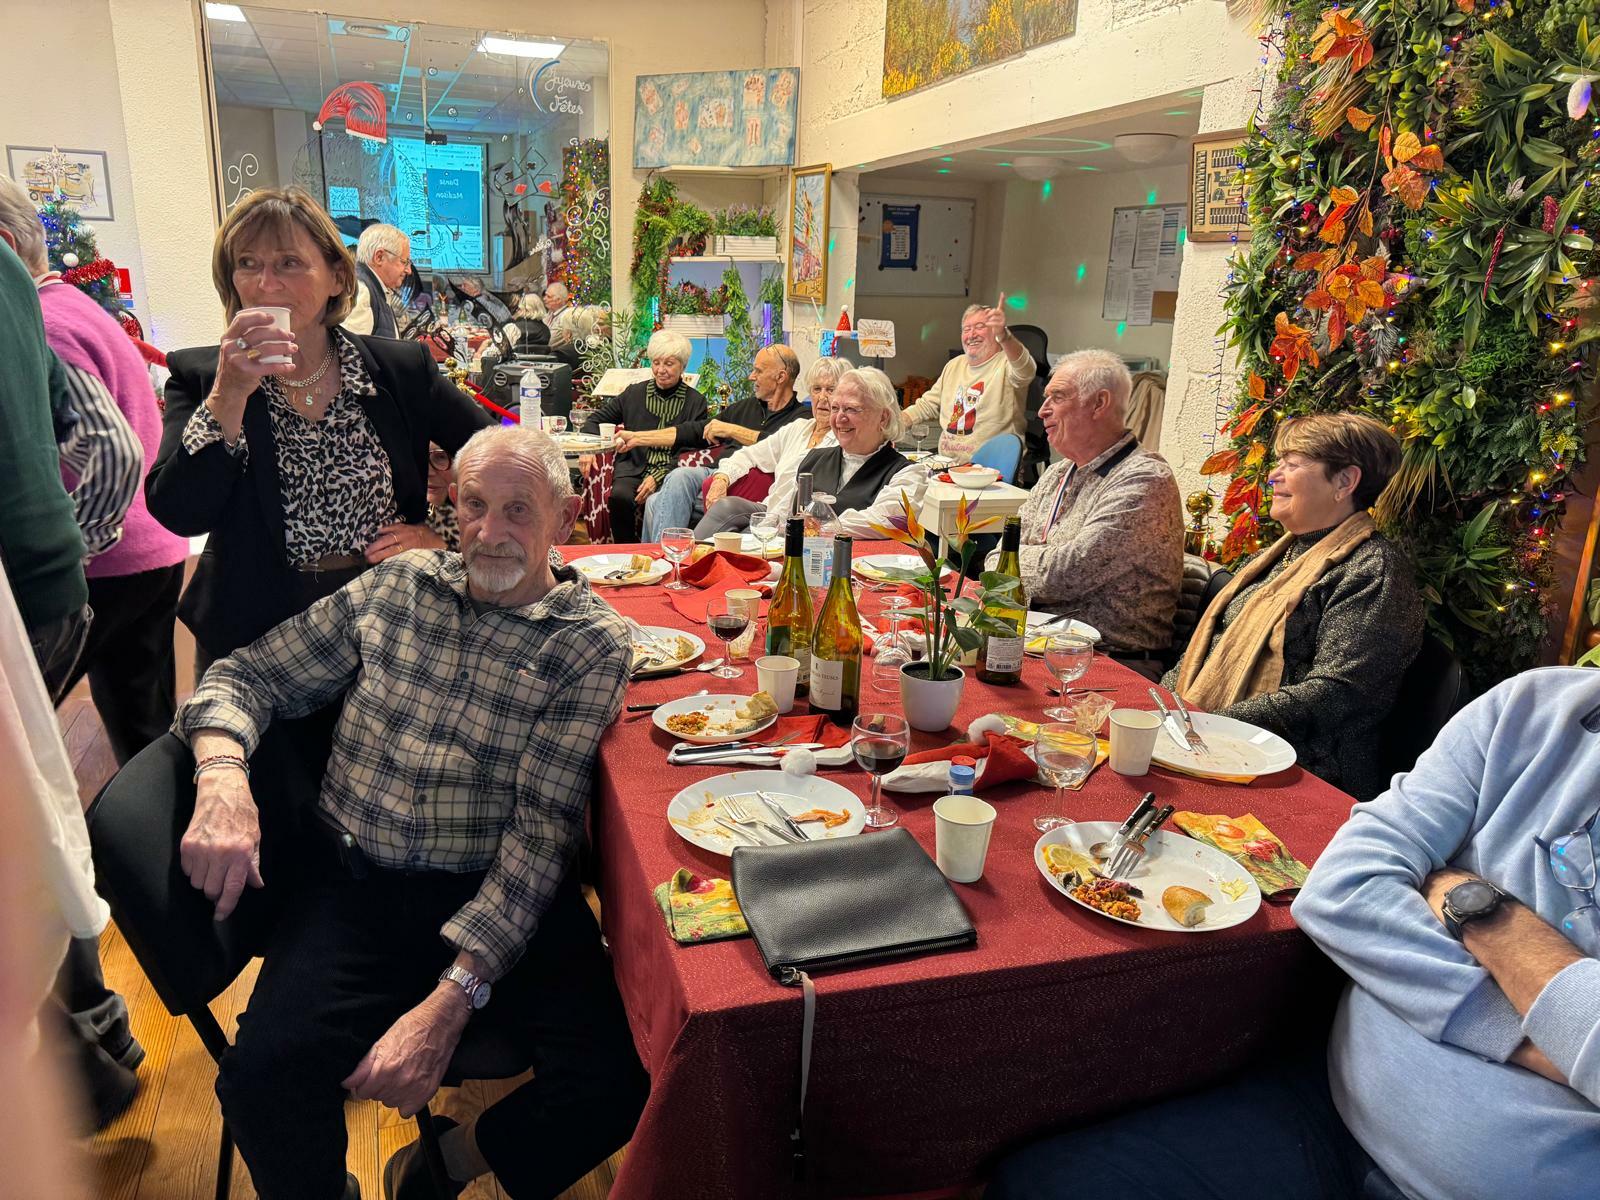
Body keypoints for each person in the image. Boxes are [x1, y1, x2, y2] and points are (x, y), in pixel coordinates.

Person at [171, 425, 648, 1200]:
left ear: (564, 520)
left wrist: (452, 1000)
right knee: (261, 1079)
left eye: (519, 510)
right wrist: (222, 775)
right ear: (451, 506)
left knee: (617, 1082)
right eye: (474, 506)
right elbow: (246, 676)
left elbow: (538, 840)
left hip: (495, 882)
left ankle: (450, 1162)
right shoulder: (397, 588)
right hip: (356, 883)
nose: (489, 532)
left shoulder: (587, 646)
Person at [992, 666, 1600, 1200]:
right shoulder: (1533, 709)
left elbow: (1334, 693)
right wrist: (1553, 1035)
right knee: (1041, 1178)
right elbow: (1342, 889)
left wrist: (1479, 913)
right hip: (1328, 1110)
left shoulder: (1372, 584)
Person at [146, 187, 492, 672]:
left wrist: (443, 539)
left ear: (337, 277)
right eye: (247, 263)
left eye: (289, 262)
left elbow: (498, 455)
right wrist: (229, 393)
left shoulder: (399, 370)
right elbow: (180, 512)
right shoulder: (202, 376)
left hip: (386, 626)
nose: (265, 282)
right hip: (254, 640)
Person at [0, 173, 188, 766]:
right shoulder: (78, 306)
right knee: (143, 723)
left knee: (29, 737)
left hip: (112, 555)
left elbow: (111, 449)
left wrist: (73, 546)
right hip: (150, 544)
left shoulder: (46, 324)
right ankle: (163, 818)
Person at [1164, 412, 1421, 800]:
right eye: (1279, 462)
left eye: (1293, 464)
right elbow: (1206, 651)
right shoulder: (1274, 557)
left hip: (1305, 778)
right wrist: (1165, 708)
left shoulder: (1374, 571)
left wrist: (1211, 724)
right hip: (1216, 744)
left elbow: (1337, 694)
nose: (1272, 476)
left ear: (1345, 482)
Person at [996, 350, 1181, 677]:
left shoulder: (1144, 480)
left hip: (1114, 663)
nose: (1042, 410)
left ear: (1099, 404)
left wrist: (1017, 560)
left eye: (1057, 397)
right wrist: (1022, 560)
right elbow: (998, 556)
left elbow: (1064, 575)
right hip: (1040, 647)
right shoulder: (1057, 473)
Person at [641, 343, 810, 541]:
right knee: (678, 478)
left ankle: (670, 553)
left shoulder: (802, 419)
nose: (751, 376)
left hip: (750, 488)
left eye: (758, 371)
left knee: (655, 502)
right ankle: (667, 554)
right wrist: (638, 437)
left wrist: (732, 430)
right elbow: (696, 431)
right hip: (716, 472)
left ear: (781, 377)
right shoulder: (745, 407)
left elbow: (775, 445)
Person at [761, 366, 925, 537]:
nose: (839, 418)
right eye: (835, 408)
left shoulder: (907, 473)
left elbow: (885, 521)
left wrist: (819, 528)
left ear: (883, 417)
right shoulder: (811, 459)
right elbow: (780, 519)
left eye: (851, 409)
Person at [578, 329, 709, 543]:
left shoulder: (696, 401)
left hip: (673, 470)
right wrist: (587, 450)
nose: (660, 370)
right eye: (656, 363)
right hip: (633, 466)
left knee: (659, 500)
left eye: (669, 364)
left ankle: (656, 551)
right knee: (619, 497)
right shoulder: (634, 393)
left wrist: (657, 477)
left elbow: (692, 449)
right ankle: (625, 551)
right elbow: (595, 420)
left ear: (683, 366)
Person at [693, 356, 844, 538]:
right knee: (725, 506)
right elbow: (748, 455)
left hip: (797, 523)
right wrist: (721, 479)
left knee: (744, 539)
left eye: (831, 390)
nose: (822, 397)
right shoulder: (798, 428)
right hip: (769, 510)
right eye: (817, 389)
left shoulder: (843, 440)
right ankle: (691, 551)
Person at [899, 295, 1036, 462]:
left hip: (992, 468)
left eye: (980, 327)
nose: (971, 335)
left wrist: (1005, 336)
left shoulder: (1006, 364)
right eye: (966, 329)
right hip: (946, 463)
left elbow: (1026, 369)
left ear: (995, 331)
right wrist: (894, 425)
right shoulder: (954, 365)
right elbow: (927, 405)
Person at [342, 224, 410, 339]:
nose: (409, 270)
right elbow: (350, 348)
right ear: (379, 257)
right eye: (404, 262)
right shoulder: (363, 291)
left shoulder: (375, 290)